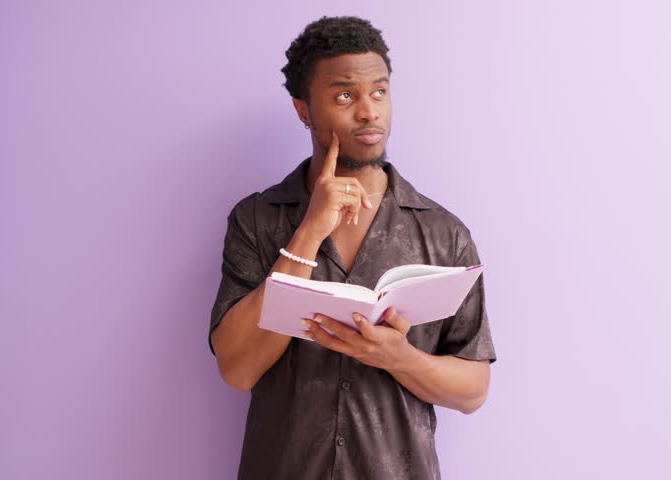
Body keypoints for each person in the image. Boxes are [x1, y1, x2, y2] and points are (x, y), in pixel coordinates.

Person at [208, 15, 496, 480]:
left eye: (379, 92)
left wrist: (396, 357)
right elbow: (237, 370)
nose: (369, 112)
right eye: (345, 95)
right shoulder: (258, 219)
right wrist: (307, 232)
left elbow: (473, 390)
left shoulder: (444, 234)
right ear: (303, 110)